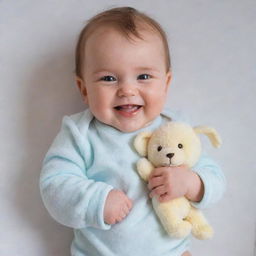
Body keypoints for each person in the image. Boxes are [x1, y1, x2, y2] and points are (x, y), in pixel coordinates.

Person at [40, 7, 226, 256]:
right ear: (83, 89)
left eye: (144, 76)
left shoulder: (174, 128)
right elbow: (54, 186)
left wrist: (192, 183)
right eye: (108, 78)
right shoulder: (80, 134)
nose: (127, 90)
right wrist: (98, 200)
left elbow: (215, 176)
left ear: (166, 84)